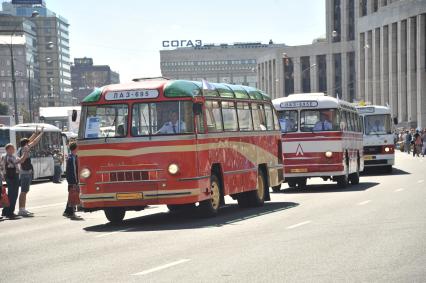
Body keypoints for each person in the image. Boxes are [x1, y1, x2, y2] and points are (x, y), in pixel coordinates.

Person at [17, 127, 44, 217]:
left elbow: (30, 140)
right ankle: (21, 209)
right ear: (26, 144)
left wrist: (35, 133)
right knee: (24, 191)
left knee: (24, 191)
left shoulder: (21, 148)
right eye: (28, 143)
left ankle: (22, 208)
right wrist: (41, 134)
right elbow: (34, 142)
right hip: (25, 173)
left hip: (24, 172)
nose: (29, 143)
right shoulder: (25, 148)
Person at [0, 144, 29, 219]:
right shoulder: (10, 157)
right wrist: (25, 151)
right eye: (11, 149)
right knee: (13, 195)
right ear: (7, 150)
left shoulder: (4, 156)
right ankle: (10, 213)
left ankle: (5, 211)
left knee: (10, 195)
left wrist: (3, 176)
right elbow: (21, 160)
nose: (13, 150)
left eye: (13, 149)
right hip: (13, 177)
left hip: (8, 177)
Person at [63, 142, 81, 219]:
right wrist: (76, 181)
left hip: (72, 180)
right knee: (73, 197)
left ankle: (67, 211)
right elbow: (73, 170)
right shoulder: (72, 158)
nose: (79, 149)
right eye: (78, 147)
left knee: (71, 196)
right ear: (75, 148)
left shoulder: (73, 156)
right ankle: (72, 213)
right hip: (73, 180)